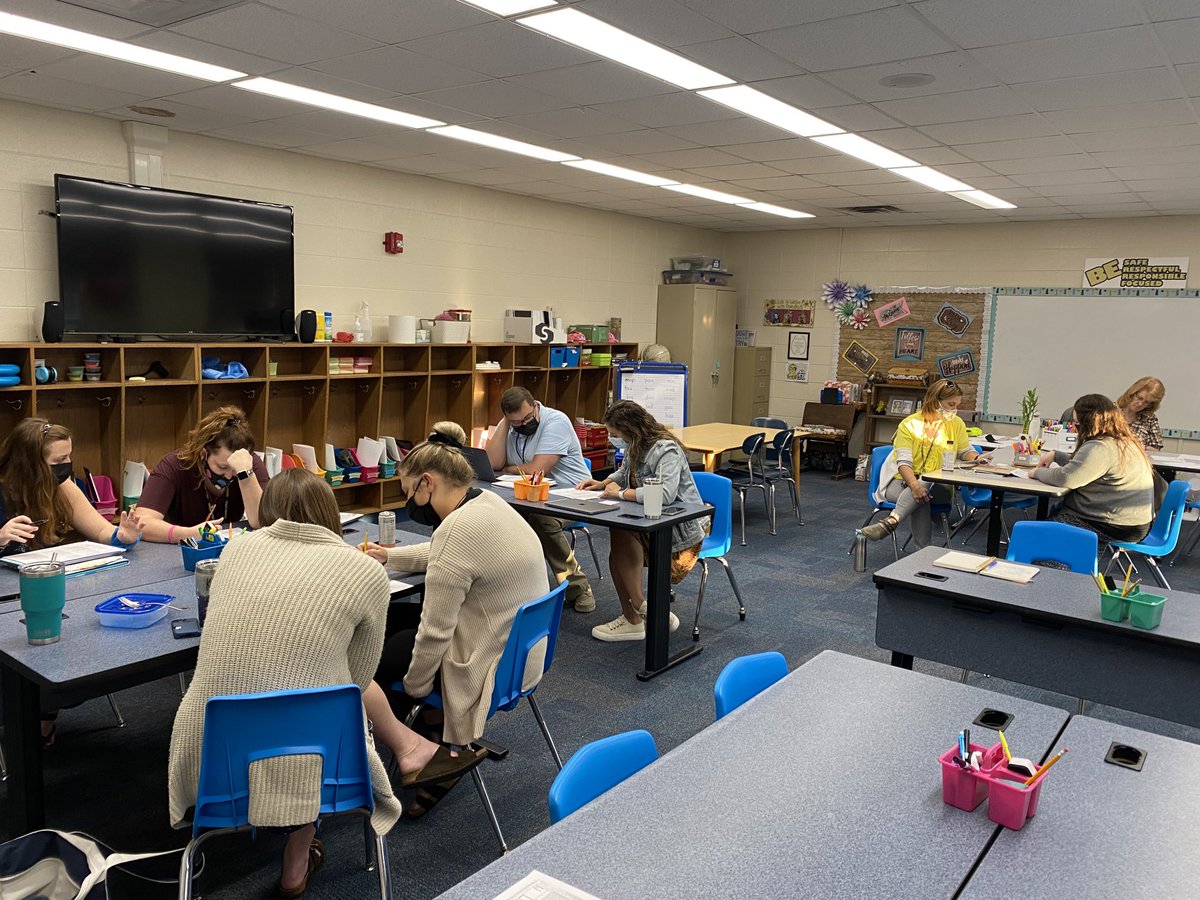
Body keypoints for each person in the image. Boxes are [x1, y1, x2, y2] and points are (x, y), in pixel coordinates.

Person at [168, 470, 481, 896]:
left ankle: (412, 749)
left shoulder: (235, 551)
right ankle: (296, 864)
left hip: (210, 758)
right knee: (323, 703)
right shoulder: (361, 571)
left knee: (291, 690)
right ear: (331, 513)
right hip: (313, 763)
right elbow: (357, 676)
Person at [367, 438, 547, 817]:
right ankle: (432, 735)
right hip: (524, 653)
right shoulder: (487, 502)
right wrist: (390, 556)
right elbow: (444, 554)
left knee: (376, 663)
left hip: (486, 667)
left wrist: (416, 688)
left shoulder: (456, 532)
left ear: (427, 483)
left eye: (408, 491)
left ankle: (422, 750)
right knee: (397, 624)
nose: (408, 502)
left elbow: (434, 631)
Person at [0, 417, 143, 747]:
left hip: (47, 592)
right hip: (7, 603)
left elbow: (104, 532)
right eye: (57, 462)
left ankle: (44, 714)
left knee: (77, 651)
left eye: (69, 459)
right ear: (28, 462)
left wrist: (125, 535)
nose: (66, 468)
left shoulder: (63, 486)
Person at [575, 400, 704, 642]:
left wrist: (620, 494)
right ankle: (636, 613)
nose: (612, 439)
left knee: (621, 536)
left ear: (630, 430)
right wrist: (602, 483)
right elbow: (625, 474)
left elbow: (664, 494)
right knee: (619, 533)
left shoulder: (667, 450)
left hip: (678, 533)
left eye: (615, 434)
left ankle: (638, 610)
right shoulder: (636, 446)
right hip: (647, 522)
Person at [484, 387, 596, 613]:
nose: (524, 425)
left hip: (574, 495)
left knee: (541, 520)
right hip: (530, 496)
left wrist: (509, 468)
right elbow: (493, 464)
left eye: (527, 418)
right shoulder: (510, 425)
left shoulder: (556, 421)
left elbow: (537, 470)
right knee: (494, 512)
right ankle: (513, 590)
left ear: (535, 405)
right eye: (517, 422)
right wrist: (506, 424)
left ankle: (579, 588)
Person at [860, 380, 988, 548]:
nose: (954, 410)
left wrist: (977, 458)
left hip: (938, 486)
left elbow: (965, 451)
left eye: (957, 405)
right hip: (902, 481)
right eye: (950, 404)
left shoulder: (956, 424)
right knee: (921, 497)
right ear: (935, 401)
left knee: (925, 485)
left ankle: (892, 521)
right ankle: (922, 552)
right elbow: (904, 463)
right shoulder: (910, 424)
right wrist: (915, 486)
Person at [1033, 393, 1154, 543]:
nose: (1076, 430)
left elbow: (1066, 478)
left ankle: (1052, 565)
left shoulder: (1100, 447)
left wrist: (1036, 472)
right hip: (1134, 523)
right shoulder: (1124, 441)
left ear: (1089, 422)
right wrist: (1057, 456)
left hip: (1115, 525)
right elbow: (1088, 467)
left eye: (1077, 424)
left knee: (1039, 534)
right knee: (1056, 511)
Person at [137, 406, 269, 543]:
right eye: (222, 467)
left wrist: (245, 474)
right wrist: (188, 534)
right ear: (203, 454)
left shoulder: (249, 464)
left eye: (235, 470)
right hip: (180, 550)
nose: (229, 476)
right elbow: (142, 523)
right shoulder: (174, 465)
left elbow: (263, 521)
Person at [1115, 377, 1165, 451]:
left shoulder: (1149, 419)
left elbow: (1156, 448)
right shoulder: (1110, 411)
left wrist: (1141, 447)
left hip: (1137, 460)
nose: (1140, 404)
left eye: (1146, 402)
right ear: (1131, 393)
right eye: (1139, 398)